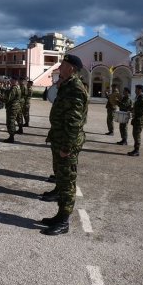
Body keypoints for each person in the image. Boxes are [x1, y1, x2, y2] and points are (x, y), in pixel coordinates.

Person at [39, 54, 89, 236]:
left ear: (71, 69)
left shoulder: (75, 88)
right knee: (61, 179)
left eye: (63, 65)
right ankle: (60, 215)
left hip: (67, 143)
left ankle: (64, 222)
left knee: (67, 182)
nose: (60, 67)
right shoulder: (67, 85)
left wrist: (66, 147)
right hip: (60, 139)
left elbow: (74, 122)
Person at [128, 84, 143, 156]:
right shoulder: (138, 97)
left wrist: (135, 111)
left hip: (139, 119)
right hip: (136, 119)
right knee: (135, 134)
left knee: (137, 135)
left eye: (136, 89)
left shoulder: (142, 98)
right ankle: (135, 149)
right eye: (135, 89)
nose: (135, 90)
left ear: (140, 90)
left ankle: (137, 150)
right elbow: (136, 107)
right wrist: (131, 109)